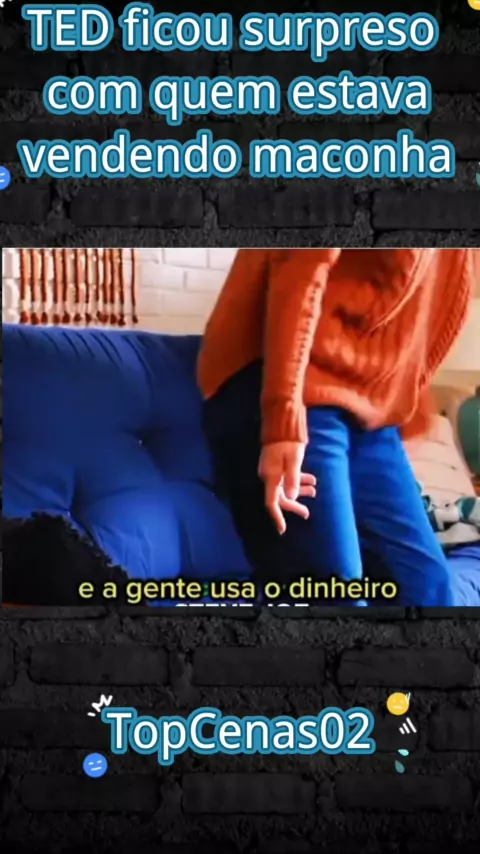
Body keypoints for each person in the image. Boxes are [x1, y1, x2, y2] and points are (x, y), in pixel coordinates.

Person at [197, 248, 479, 607]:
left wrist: (403, 398)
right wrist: (282, 423)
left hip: (364, 405)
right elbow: (298, 265)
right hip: (282, 383)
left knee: (428, 589)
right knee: (336, 590)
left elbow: (431, 303)